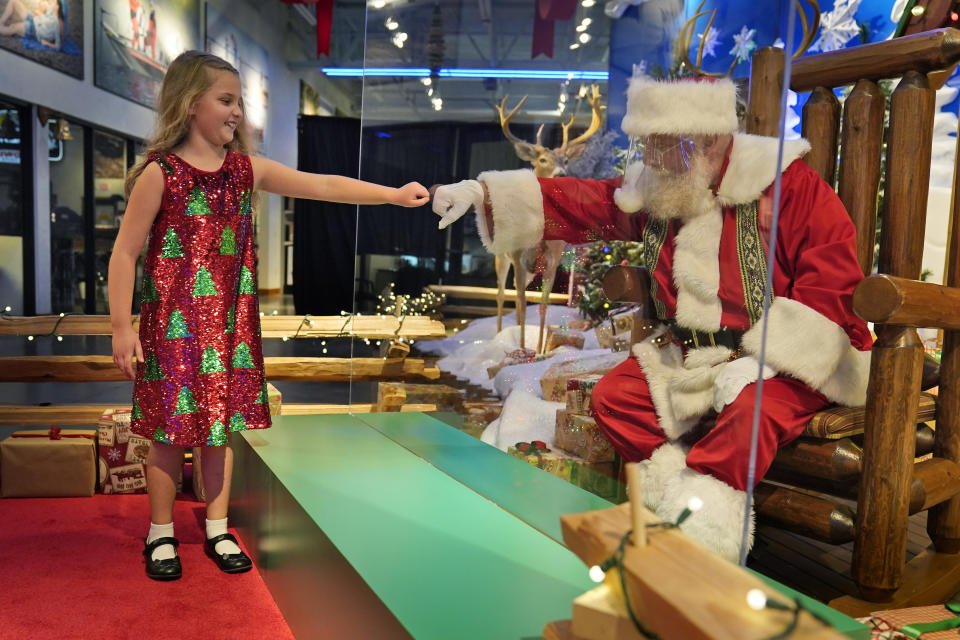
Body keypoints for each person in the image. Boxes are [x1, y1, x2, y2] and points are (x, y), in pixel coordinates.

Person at [433, 76, 871, 562]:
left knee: (750, 412)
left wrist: (762, 362)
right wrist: (484, 193)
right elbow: (587, 202)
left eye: (663, 145)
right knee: (617, 397)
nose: (651, 157)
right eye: (647, 143)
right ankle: (674, 495)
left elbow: (833, 281)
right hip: (692, 353)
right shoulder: (664, 188)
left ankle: (704, 541)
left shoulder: (788, 187)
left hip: (788, 358)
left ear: (706, 140)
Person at [109, 50, 429, 581]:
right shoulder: (159, 174)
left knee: (220, 434)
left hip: (230, 332)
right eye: (226, 100)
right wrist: (122, 328)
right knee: (167, 435)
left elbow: (321, 185)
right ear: (191, 105)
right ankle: (160, 533)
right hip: (171, 331)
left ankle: (217, 526)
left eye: (239, 102)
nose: (237, 113)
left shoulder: (245, 171)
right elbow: (125, 253)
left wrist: (392, 196)